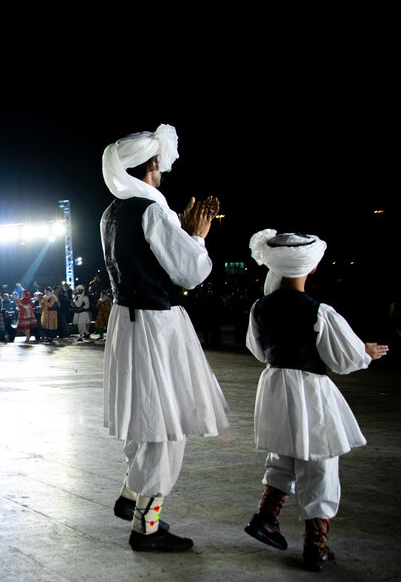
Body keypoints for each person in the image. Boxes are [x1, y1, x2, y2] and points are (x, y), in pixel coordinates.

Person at [100, 125, 229, 551]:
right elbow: (190, 272)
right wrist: (196, 236)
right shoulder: (152, 211)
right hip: (157, 325)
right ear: (151, 165)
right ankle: (146, 527)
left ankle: (130, 495)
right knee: (166, 422)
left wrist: (184, 231)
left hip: (127, 322)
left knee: (145, 413)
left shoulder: (111, 212)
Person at [243, 230, 390, 572]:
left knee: (282, 454)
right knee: (319, 463)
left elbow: (259, 349)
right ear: (310, 268)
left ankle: (266, 519)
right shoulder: (319, 311)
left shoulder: (259, 307)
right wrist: (364, 352)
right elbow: (342, 359)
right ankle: (316, 546)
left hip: (275, 384)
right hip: (308, 388)